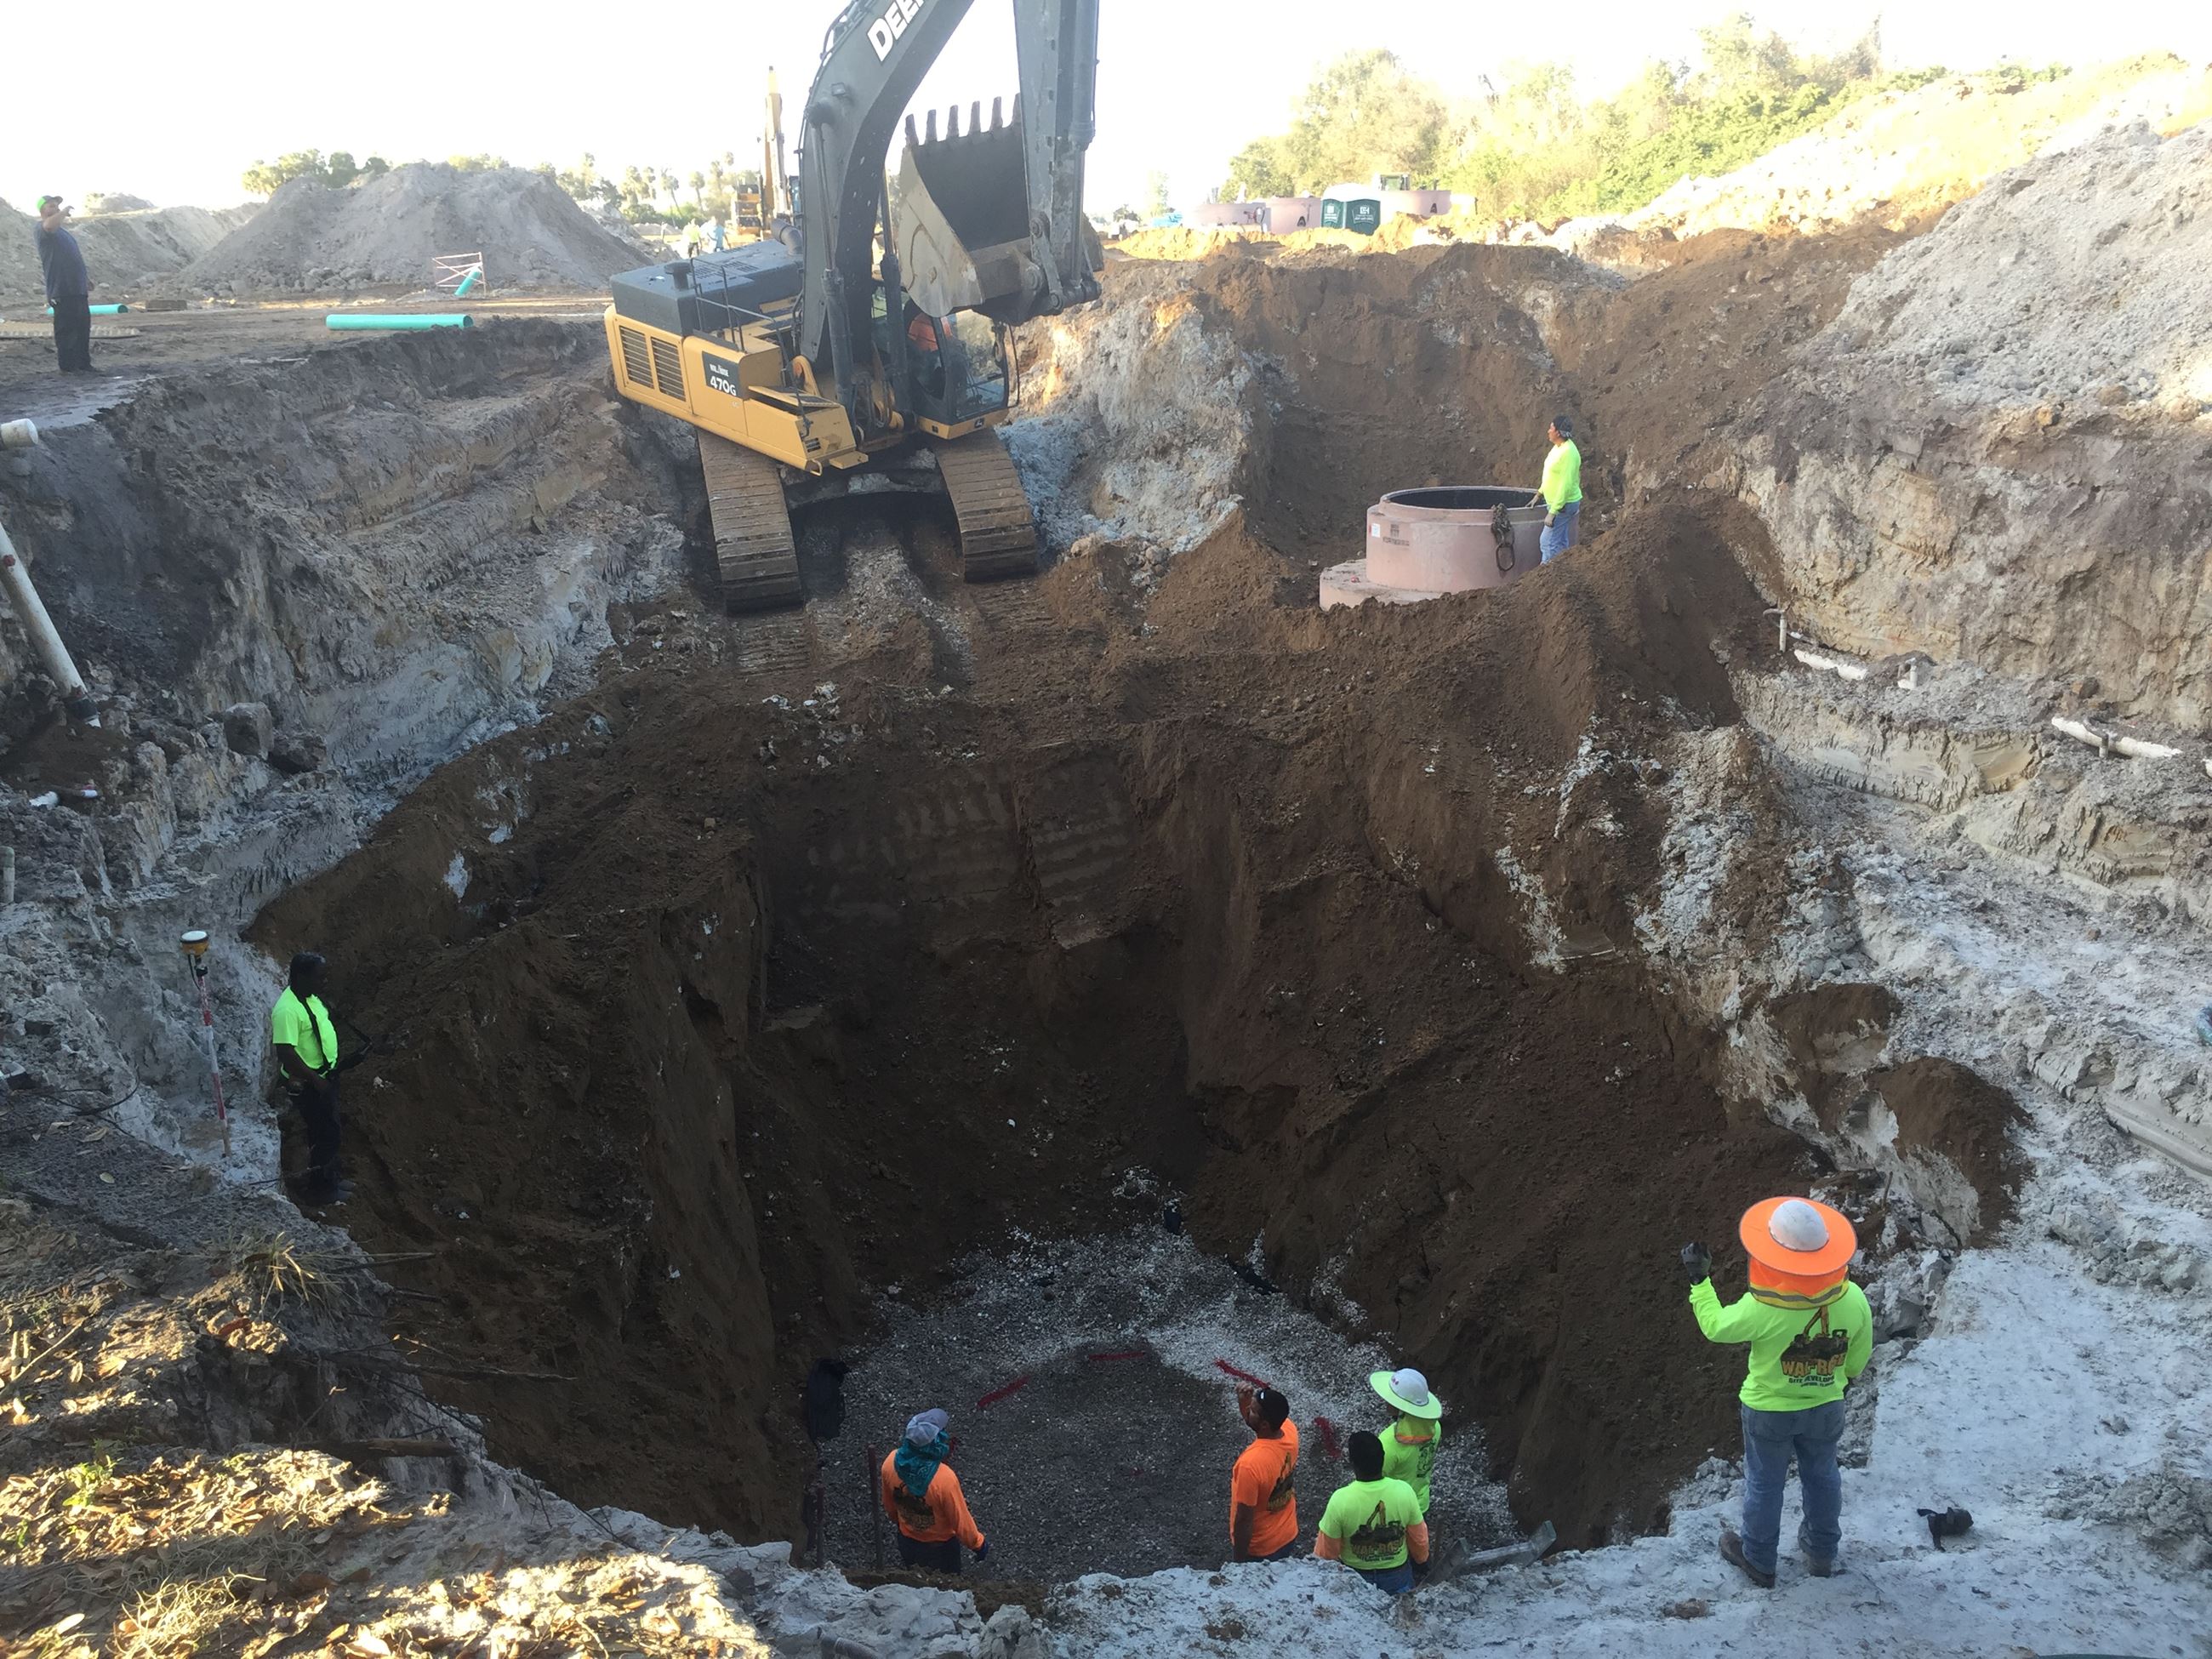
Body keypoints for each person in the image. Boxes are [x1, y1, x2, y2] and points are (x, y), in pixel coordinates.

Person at [1682, 1194, 1873, 1589]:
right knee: (1823, 1477)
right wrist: (1826, 1376)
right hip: (1825, 1407)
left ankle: (1759, 1560)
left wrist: (1700, 1282)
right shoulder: (1854, 1300)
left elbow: (1716, 1327)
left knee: (1765, 1484)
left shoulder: (1762, 1307)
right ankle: (1821, 1554)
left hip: (1768, 1411)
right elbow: (1855, 1365)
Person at [271, 951, 348, 1204]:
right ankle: (320, 1191)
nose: (323, 982)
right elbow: (286, 1054)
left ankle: (331, 1179)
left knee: (331, 1130)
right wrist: (316, 1080)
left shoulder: (310, 998)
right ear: (301, 976)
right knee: (324, 1134)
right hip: (309, 1085)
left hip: (324, 1078)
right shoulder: (286, 1010)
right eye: (319, 977)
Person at [1314, 1430, 1428, 1593]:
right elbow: (1419, 1538)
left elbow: (1326, 1552)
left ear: (1352, 1463)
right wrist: (1422, 1559)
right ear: (1383, 1457)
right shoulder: (1405, 1491)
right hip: (1397, 1575)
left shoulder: (1340, 1500)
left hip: (1355, 1578)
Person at [879, 1408, 989, 1575]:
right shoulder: (944, 1479)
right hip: (940, 1550)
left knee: (916, 1584)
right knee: (947, 1591)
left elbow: (890, 1507)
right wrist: (978, 1544)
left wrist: (905, 1523)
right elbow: (960, 1520)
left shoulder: (890, 1462)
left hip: (908, 1542)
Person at [1369, 1367, 1443, 1571]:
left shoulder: (1388, 1444)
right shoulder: (1435, 1428)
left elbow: (1373, 1482)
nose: (1386, 1401)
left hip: (1395, 1511)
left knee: (1393, 1556)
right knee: (1417, 1550)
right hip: (1420, 1501)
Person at [1229, 1385, 1301, 1563]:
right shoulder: (1289, 1431)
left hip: (1260, 1550)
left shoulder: (1250, 1465)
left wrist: (1238, 1563)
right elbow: (1258, 1425)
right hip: (1288, 1533)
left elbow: (1244, 1520)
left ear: (1265, 1424)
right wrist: (1245, 1402)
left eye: (1251, 1410)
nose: (1247, 1410)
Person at [34, 197, 94, 375]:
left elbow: (73, 257)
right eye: (52, 206)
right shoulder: (43, 228)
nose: (57, 208)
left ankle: (83, 364)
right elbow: (50, 226)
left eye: (57, 205)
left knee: (82, 327)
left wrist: (86, 278)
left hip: (77, 289)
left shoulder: (64, 233)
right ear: (43, 210)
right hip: (62, 289)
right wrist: (63, 211)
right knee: (66, 329)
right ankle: (68, 368)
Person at [1536, 415, 1583, 563]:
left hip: (1563, 505)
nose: (1548, 431)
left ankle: (1548, 578)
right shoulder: (1558, 447)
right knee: (1560, 541)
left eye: (1551, 428)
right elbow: (1551, 474)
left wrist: (1553, 511)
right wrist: (1540, 492)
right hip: (1558, 503)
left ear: (1558, 432)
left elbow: (1566, 484)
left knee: (1548, 542)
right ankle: (1563, 573)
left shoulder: (1569, 453)